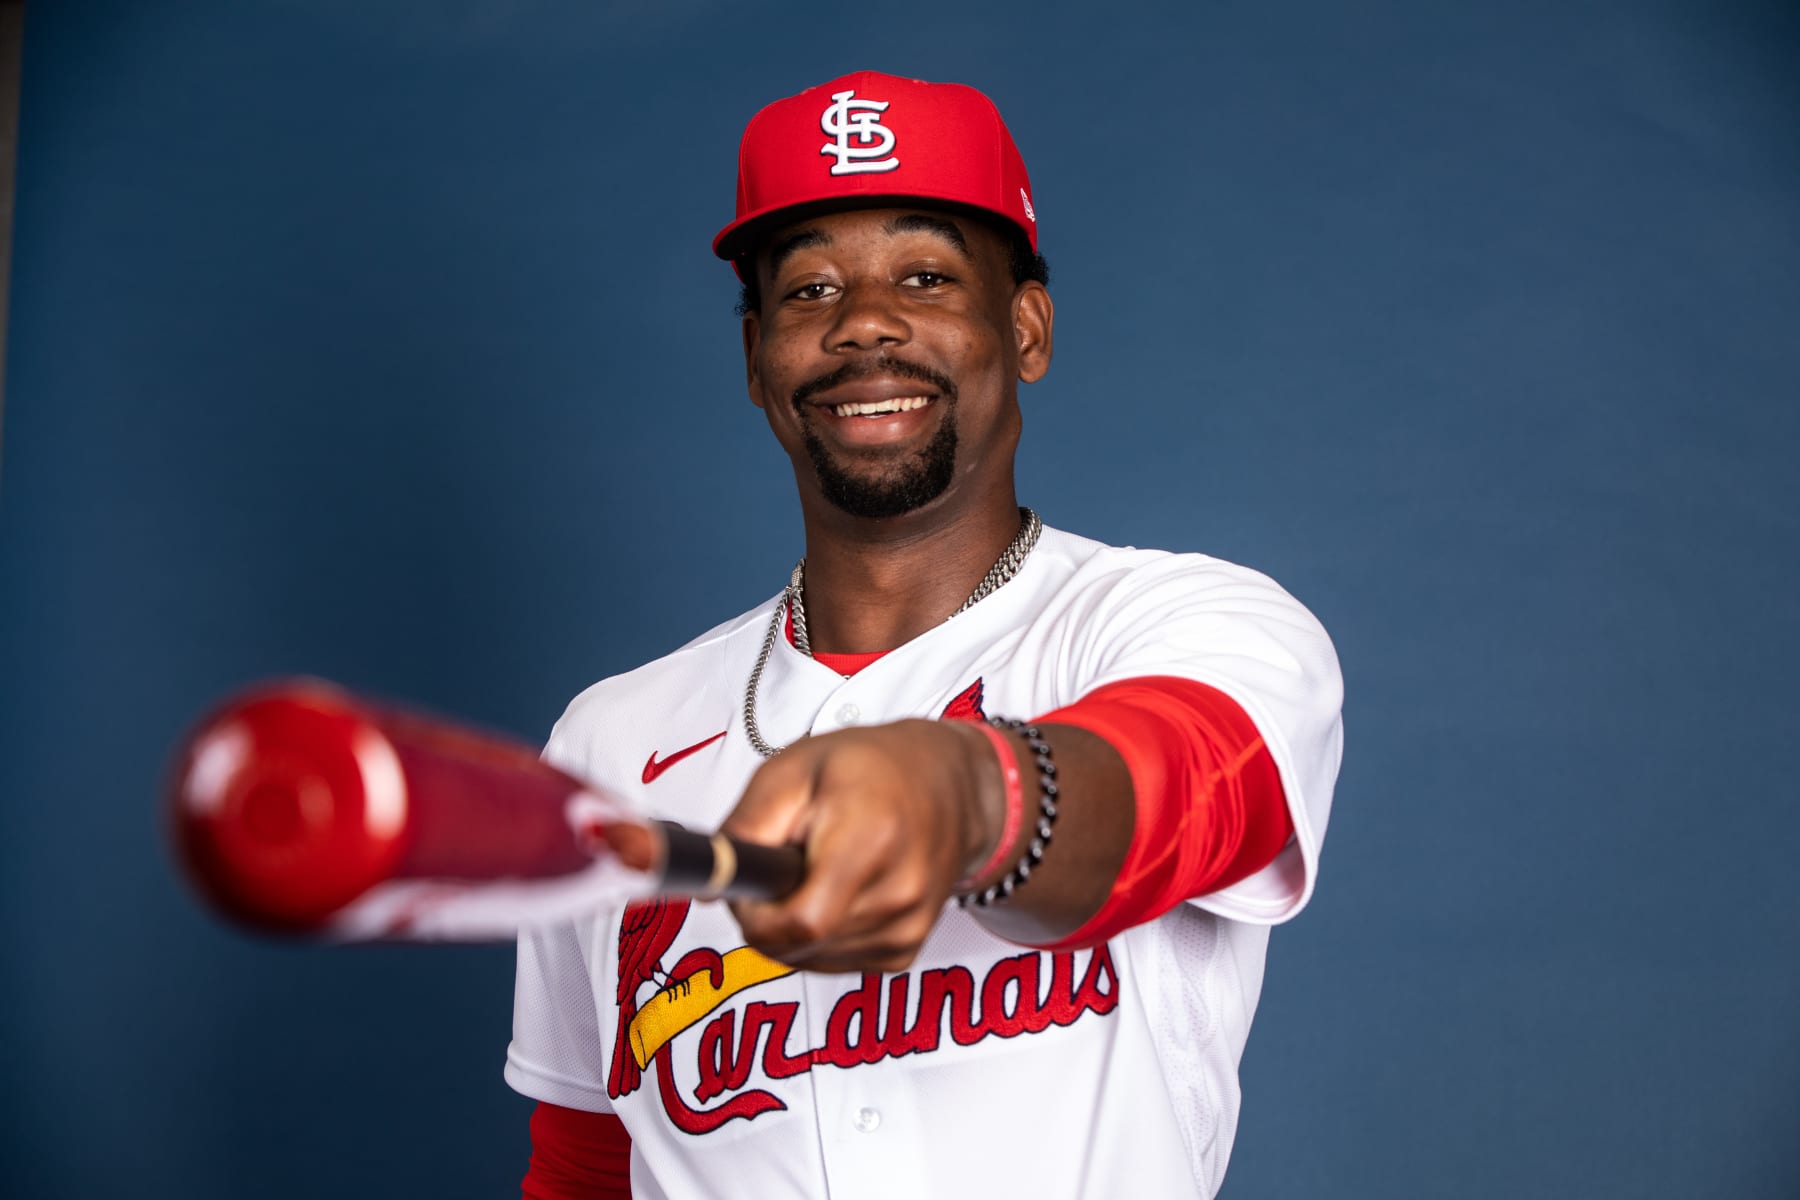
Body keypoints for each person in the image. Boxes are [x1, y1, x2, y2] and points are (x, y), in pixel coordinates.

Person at [506, 70, 1343, 1199]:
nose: (864, 323)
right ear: (756, 360)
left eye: (925, 274)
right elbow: (588, 1155)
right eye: (809, 290)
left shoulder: (1177, 622)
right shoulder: (612, 741)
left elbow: (1193, 783)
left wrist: (967, 792)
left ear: (1026, 327)